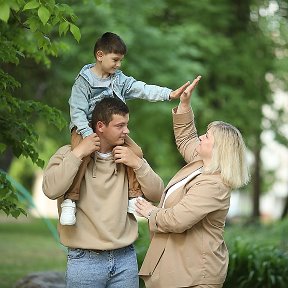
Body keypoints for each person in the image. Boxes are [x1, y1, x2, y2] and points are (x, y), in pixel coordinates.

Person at [61, 31, 190, 225]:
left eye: (121, 60)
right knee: (82, 155)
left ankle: (134, 195)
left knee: (134, 152)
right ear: (100, 55)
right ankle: (70, 200)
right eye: (115, 60)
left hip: (112, 130)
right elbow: (77, 111)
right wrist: (88, 136)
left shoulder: (119, 79)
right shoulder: (84, 81)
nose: (118, 65)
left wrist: (169, 94)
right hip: (85, 128)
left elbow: (142, 88)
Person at [136, 76, 250, 288]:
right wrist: (185, 104)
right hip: (180, 268)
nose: (201, 138)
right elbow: (186, 138)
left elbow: (178, 220)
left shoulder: (214, 185)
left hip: (196, 276)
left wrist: (150, 212)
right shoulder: (200, 165)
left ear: (218, 150)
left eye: (207, 137)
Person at [42, 97, 164, 287]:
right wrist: (78, 154)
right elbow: (50, 189)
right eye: (120, 125)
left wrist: (138, 164)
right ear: (100, 126)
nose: (127, 131)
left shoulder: (129, 158)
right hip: (84, 261)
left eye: (127, 124)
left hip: (125, 258)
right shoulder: (68, 153)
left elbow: (157, 194)